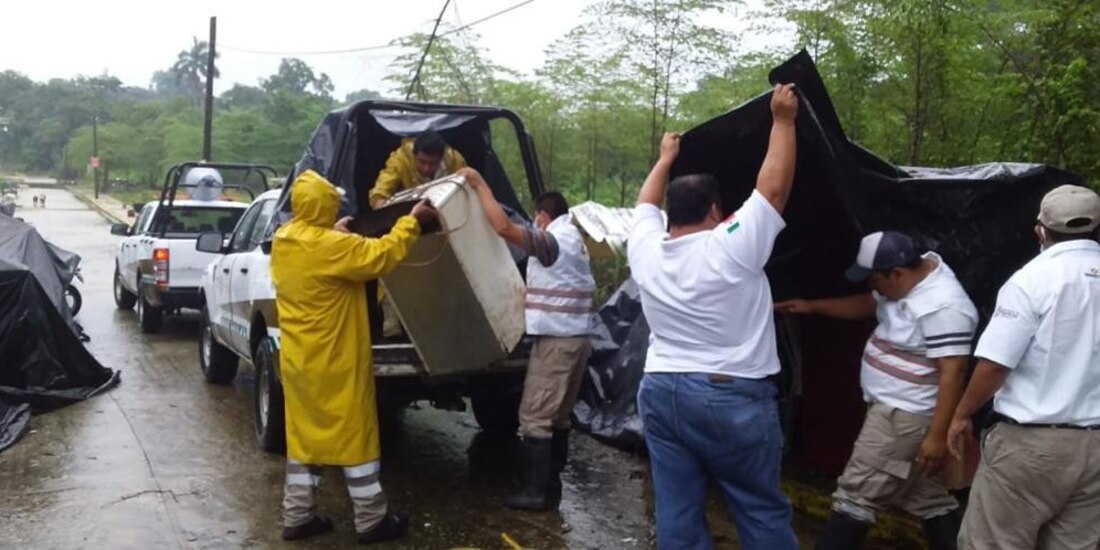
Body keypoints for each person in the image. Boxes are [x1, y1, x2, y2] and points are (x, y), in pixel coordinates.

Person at [626, 83, 799, 549]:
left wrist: (665, 158)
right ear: (717, 211)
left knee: (677, 508)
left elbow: (644, 205)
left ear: (670, 216)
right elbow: (774, 189)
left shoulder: (645, 250)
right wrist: (783, 121)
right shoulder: (731, 246)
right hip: (730, 398)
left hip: (661, 392)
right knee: (759, 508)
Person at [776, 231, 977, 550]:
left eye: (874, 280)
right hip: (894, 410)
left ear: (896, 274)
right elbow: (869, 303)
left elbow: (953, 373)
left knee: (856, 494)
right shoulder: (910, 279)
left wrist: (938, 437)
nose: (871, 286)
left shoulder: (944, 307)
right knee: (926, 496)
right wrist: (813, 307)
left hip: (905, 417)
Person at [269, 169, 438, 545]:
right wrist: (411, 222)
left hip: (299, 363)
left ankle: (297, 517)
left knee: (304, 441)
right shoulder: (333, 249)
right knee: (355, 440)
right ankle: (371, 521)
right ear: (326, 205)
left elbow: (322, 253)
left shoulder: (285, 240)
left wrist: (335, 231)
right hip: (336, 362)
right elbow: (381, 256)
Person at [947, 185, 1100, 550]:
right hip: (1095, 449)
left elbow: (996, 364)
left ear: (1040, 232)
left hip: (1031, 446)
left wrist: (961, 414)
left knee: (992, 543)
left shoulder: (1032, 280)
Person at [457, 166, 596, 512]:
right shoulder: (575, 240)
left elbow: (503, 228)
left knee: (534, 416)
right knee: (558, 417)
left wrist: (478, 181)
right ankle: (550, 484)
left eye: (536, 219)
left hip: (557, 343)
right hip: (577, 340)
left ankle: (535, 493)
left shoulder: (553, 241)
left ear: (543, 216)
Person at [368, 131, 467, 209]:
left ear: (441, 158)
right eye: (422, 162)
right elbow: (381, 191)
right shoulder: (400, 160)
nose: (426, 168)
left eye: (432, 163)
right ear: (414, 155)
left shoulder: (456, 162)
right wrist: (381, 206)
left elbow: (466, 194)